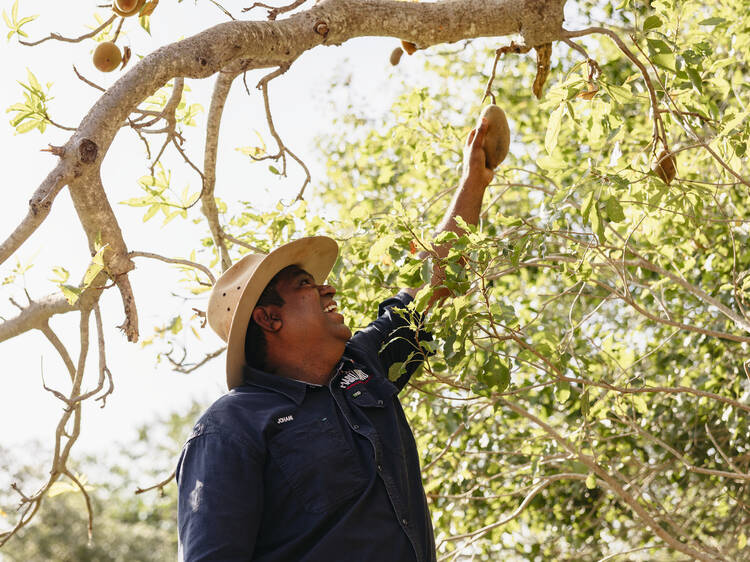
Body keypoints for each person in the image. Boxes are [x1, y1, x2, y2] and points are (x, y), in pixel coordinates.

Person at [176, 117, 496, 561]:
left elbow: (431, 284)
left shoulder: (361, 365)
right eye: (306, 284)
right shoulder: (232, 426)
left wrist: (474, 181)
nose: (329, 289)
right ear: (270, 318)